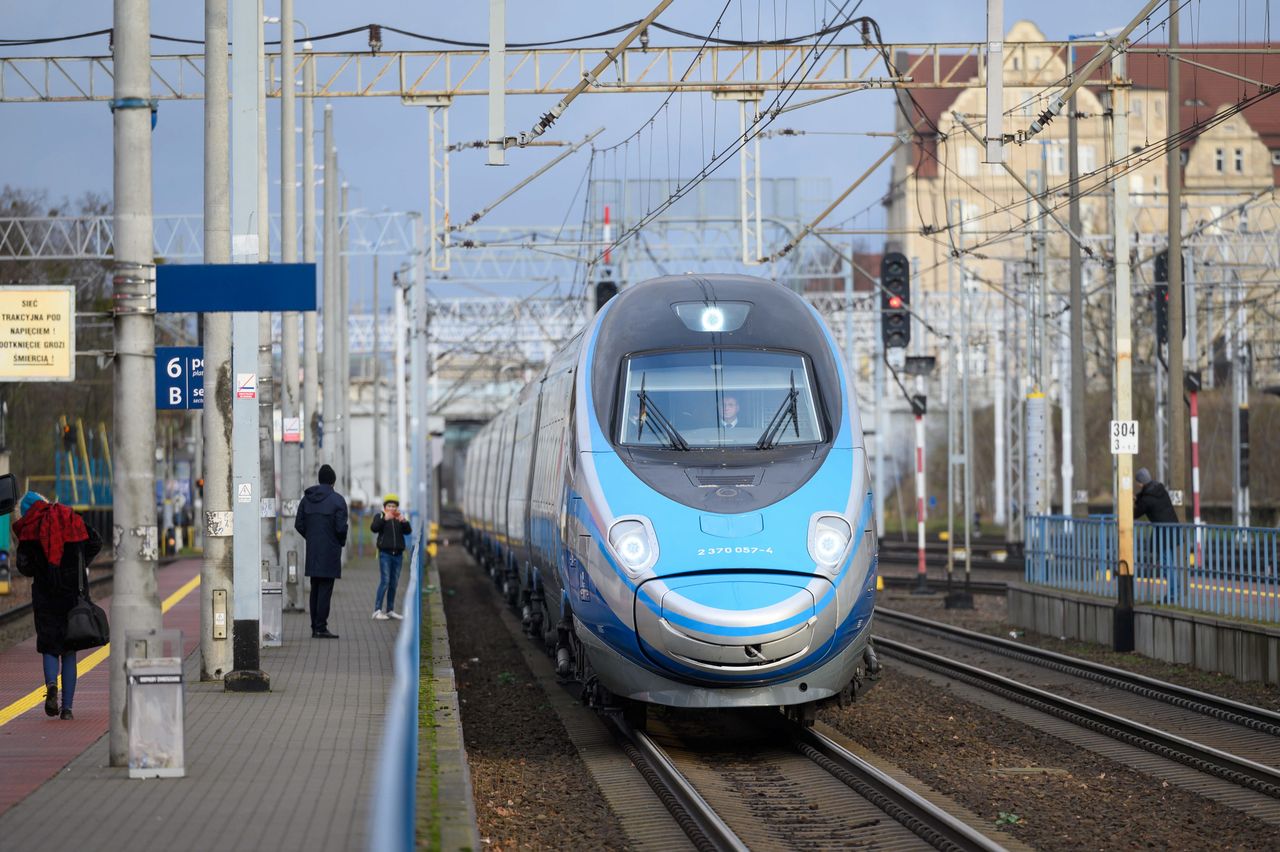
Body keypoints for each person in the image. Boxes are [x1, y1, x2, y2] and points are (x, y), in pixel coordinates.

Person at [13, 491, 103, 720]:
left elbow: (24, 567)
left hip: (46, 595)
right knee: (69, 650)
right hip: (72, 594)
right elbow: (95, 542)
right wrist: (79, 563)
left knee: (50, 646)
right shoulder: (69, 517)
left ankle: (52, 685)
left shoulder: (29, 528)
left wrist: (40, 568)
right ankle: (68, 710)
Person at [294, 465, 348, 638]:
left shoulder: (307, 499)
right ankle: (320, 627)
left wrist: (311, 537)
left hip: (313, 550)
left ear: (319, 479)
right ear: (333, 481)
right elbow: (341, 528)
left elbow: (299, 524)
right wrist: (338, 541)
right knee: (325, 589)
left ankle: (314, 626)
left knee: (315, 587)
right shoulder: (338, 500)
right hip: (330, 551)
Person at [1134, 467, 1181, 603]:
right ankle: (1175, 592)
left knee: (1167, 564)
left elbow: (1136, 513)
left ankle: (1172, 595)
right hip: (1173, 529)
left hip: (1164, 533)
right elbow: (1144, 495)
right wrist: (1137, 497)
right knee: (1171, 563)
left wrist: (1131, 503)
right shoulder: (1159, 488)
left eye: (1138, 482)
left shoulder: (1147, 499)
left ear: (1141, 482)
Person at [370, 494, 412, 620]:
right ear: (384, 507)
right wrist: (384, 518)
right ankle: (377, 610)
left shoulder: (399, 518)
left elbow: (408, 531)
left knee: (394, 583)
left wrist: (404, 521)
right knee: (385, 581)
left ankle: (390, 610)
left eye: (394, 506)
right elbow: (374, 528)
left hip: (398, 555)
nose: (392, 508)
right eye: (389, 506)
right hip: (385, 554)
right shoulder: (380, 516)